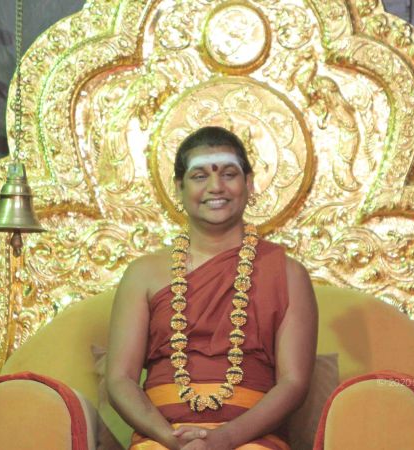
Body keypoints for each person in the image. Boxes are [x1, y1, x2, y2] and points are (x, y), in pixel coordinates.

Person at [106, 126, 318, 450]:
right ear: (179, 187)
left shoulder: (288, 274)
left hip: (252, 440)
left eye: (229, 174)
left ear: (249, 183)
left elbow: (294, 383)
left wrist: (223, 440)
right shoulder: (143, 274)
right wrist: (170, 438)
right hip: (161, 439)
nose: (216, 187)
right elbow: (120, 380)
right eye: (199, 176)